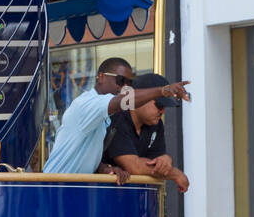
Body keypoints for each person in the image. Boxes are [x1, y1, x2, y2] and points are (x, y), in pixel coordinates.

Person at [42, 57, 190, 175]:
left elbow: (81, 151)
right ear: (101, 77)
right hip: (54, 186)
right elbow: (125, 101)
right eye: (120, 81)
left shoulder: (104, 114)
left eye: (129, 83)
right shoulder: (88, 104)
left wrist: (105, 168)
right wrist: (163, 91)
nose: (124, 87)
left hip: (72, 188)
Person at [101, 72, 190, 192]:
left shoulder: (156, 124)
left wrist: (166, 160)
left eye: (165, 107)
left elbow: (156, 161)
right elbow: (134, 166)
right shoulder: (117, 118)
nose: (162, 111)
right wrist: (176, 174)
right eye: (159, 105)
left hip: (132, 196)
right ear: (141, 98)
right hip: (99, 194)